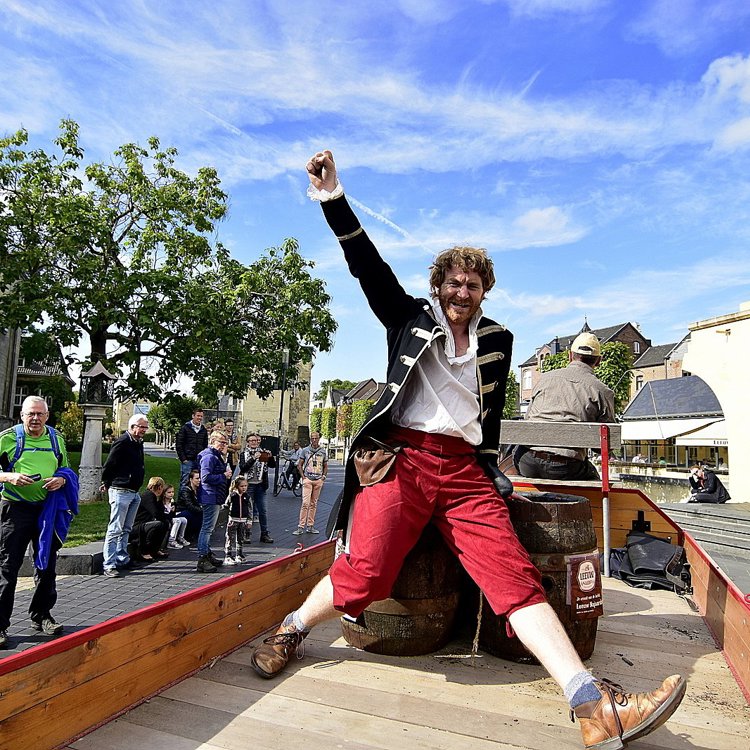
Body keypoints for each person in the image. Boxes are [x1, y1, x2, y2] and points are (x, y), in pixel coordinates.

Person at [249, 150, 686, 750]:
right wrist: (333, 197)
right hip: (401, 460)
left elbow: (493, 413)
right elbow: (364, 264)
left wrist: (491, 475)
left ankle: (591, 704)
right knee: (367, 573)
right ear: (437, 287)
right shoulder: (407, 319)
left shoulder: (498, 339)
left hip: (462, 472)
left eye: (473, 284)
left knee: (515, 579)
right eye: (453, 282)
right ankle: (292, 628)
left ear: (484, 292)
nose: (462, 291)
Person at [0, 396, 75, 648]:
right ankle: (0, 626)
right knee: (7, 567)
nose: (35, 419)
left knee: (47, 564)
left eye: (39, 414)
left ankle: (42, 615)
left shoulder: (56, 439)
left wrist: (61, 480)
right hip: (14, 508)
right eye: (30, 414)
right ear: (22, 415)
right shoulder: (8, 437)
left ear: (47, 415)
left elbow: (66, 468)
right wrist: (9, 476)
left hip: (47, 509)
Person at [515, 332, 616, 480]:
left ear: (570, 356)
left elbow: (527, 418)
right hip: (566, 468)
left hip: (528, 462)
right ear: (599, 361)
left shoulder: (545, 379)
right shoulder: (602, 390)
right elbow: (605, 444)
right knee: (593, 476)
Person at [100, 414, 149, 578]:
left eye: (145, 427)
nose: (144, 430)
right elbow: (110, 464)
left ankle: (122, 558)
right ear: (133, 426)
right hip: (121, 490)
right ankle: (109, 563)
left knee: (126, 528)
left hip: (133, 491)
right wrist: (106, 482)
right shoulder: (123, 442)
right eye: (142, 427)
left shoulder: (138, 442)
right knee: (115, 528)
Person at [196, 430, 232, 572]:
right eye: (221, 442)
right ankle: (202, 558)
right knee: (207, 528)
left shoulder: (215, 456)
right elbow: (205, 478)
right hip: (210, 496)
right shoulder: (209, 457)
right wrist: (223, 475)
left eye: (225, 442)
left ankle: (207, 554)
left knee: (209, 528)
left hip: (214, 496)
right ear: (212, 441)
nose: (224, 445)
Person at [238, 433, 275, 544]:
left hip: (260, 485)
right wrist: (254, 458)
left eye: (256, 440)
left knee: (262, 511)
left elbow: (272, 465)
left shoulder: (263, 452)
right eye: (251, 440)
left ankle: (264, 533)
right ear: (248, 442)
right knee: (248, 510)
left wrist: (271, 457)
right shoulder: (244, 454)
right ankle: (246, 533)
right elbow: (243, 468)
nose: (254, 442)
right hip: (248, 485)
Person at [293, 432, 328, 535]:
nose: (314, 440)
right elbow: (299, 464)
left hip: (318, 480)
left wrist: (323, 477)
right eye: (312, 438)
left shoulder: (323, 451)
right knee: (305, 503)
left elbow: (325, 465)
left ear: (319, 439)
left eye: (315, 438)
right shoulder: (305, 451)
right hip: (308, 479)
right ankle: (301, 526)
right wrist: (303, 477)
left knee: (313, 504)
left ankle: (310, 525)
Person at [175, 409, 208, 488]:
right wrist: (183, 459)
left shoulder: (203, 430)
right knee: (185, 481)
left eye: (201, 416)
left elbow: (205, 445)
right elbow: (179, 444)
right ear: (193, 416)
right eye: (198, 416)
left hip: (199, 460)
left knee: (197, 482)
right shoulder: (185, 428)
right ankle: (182, 500)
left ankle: (193, 499)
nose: (199, 418)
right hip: (188, 460)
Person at [224, 476, 251, 565]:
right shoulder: (232, 496)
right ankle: (228, 555)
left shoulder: (247, 496)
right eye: (242, 486)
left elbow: (250, 509)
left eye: (245, 486)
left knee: (240, 538)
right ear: (236, 486)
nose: (244, 488)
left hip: (243, 520)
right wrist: (229, 517)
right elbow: (226, 506)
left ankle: (239, 554)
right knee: (230, 537)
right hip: (233, 520)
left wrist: (249, 520)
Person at [176, 468, 203, 543]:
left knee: (200, 514)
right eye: (197, 478)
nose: (199, 480)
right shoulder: (185, 490)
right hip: (181, 511)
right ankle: (191, 535)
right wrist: (201, 510)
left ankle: (198, 535)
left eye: (200, 478)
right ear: (191, 479)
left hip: (192, 511)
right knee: (194, 514)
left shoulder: (198, 490)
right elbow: (189, 505)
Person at [164, 484, 189, 548]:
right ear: (164, 494)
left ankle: (180, 537)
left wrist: (173, 511)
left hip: (170, 518)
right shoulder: (162, 503)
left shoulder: (173, 503)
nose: (171, 494)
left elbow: (173, 515)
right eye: (169, 492)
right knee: (177, 520)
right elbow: (164, 515)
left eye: (172, 492)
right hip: (165, 519)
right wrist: (171, 512)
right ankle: (171, 541)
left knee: (184, 519)